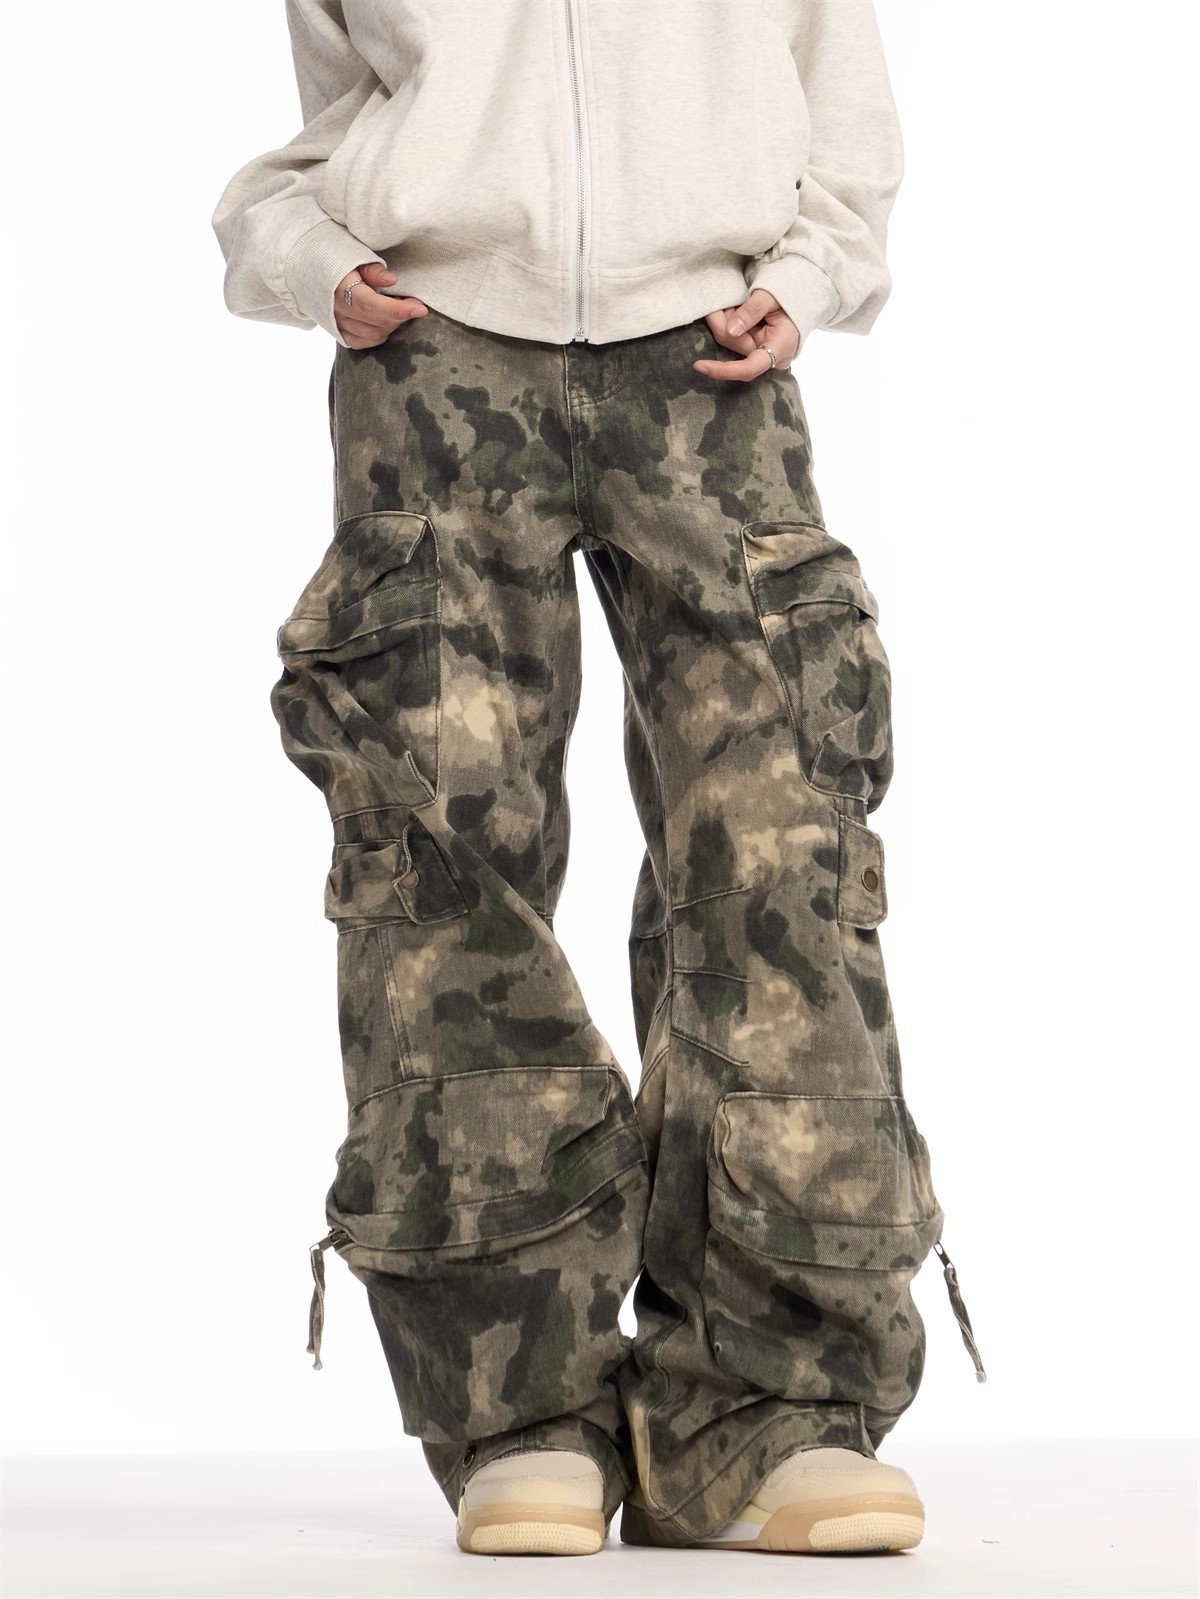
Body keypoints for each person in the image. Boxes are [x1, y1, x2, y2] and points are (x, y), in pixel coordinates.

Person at [211, 0, 985, 1559]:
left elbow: (834, 77)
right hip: (431, 363)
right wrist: (311, 264)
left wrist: (811, 273)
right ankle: (519, 1404)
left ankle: (768, 1413)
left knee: (779, 847)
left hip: (712, 358)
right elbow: (339, 114)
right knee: (438, 862)